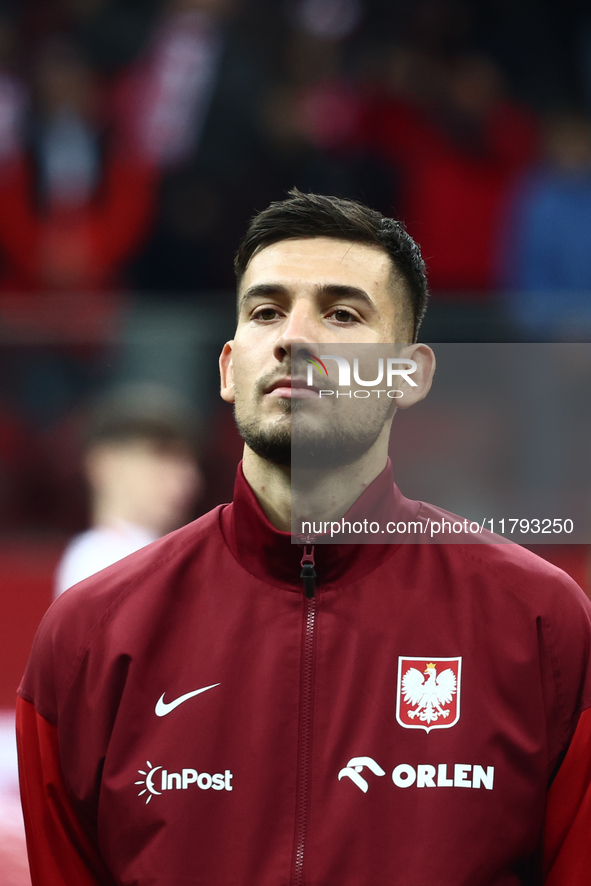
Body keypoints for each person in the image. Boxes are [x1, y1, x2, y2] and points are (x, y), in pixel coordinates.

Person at [16, 191, 591, 885]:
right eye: (266, 311)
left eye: (342, 313)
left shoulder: (539, 624)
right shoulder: (90, 635)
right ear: (230, 368)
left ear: (409, 377)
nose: (295, 337)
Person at [54, 384, 203, 596]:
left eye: (188, 461)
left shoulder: (178, 554)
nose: (188, 476)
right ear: (106, 464)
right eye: (162, 456)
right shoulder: (98, 558)